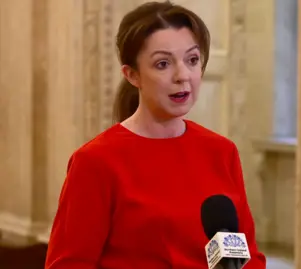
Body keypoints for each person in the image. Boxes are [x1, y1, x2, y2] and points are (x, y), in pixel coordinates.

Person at [44, 1, 267, 268]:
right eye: (163, 64)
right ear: (132, 75)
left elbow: (249, 257)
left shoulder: (221, 151)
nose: (182, 75)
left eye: (192, 60)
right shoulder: (95, 162)